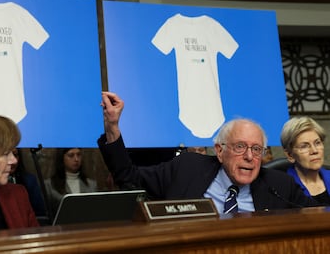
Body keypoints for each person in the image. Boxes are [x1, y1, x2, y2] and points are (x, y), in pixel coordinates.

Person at [98, 91, 319, 214]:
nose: (250, 157)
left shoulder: (280, 186)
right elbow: (129, 178)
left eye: (257, 149)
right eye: (240, 147)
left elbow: (318, 217)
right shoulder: (186, 169)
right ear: (220, 151)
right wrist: (112, 127)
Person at [280, 116, 330, 205]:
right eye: (304, 146)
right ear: (290, 155)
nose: (314, 151)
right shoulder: (284, 188)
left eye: (317, 143)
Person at [44, 148, 97, 217]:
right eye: (71, 155)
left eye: (78, 155)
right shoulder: (49, 185)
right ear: (62, 158)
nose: (76, 159)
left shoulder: (91, 185)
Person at [8, 149, 47, 218]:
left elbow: (40, 213)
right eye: (7, 155)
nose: (14, 160)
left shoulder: (29, 180)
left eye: (15, 155)